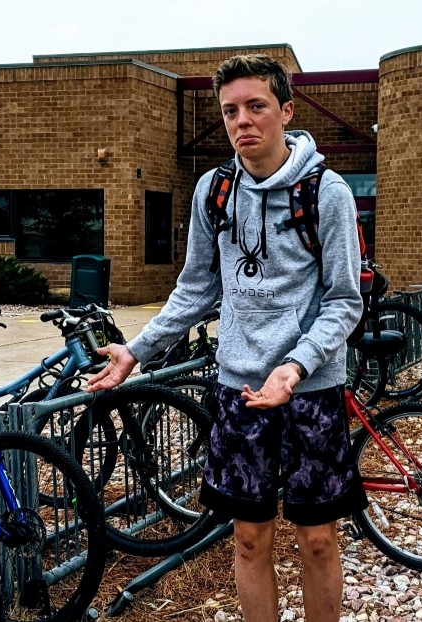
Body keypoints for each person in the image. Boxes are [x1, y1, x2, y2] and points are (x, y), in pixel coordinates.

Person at [86, 54, 368, 622]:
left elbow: (343, 301)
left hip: (309, 390)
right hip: (238, 391)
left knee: (317, 540)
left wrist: (295, 366)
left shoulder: (326, 192)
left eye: (256, 106)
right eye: (231, 110)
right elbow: (195, 290)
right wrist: (136, 351)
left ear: (285, 111)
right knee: (247, 539)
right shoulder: (213, 191)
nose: (243, 121)